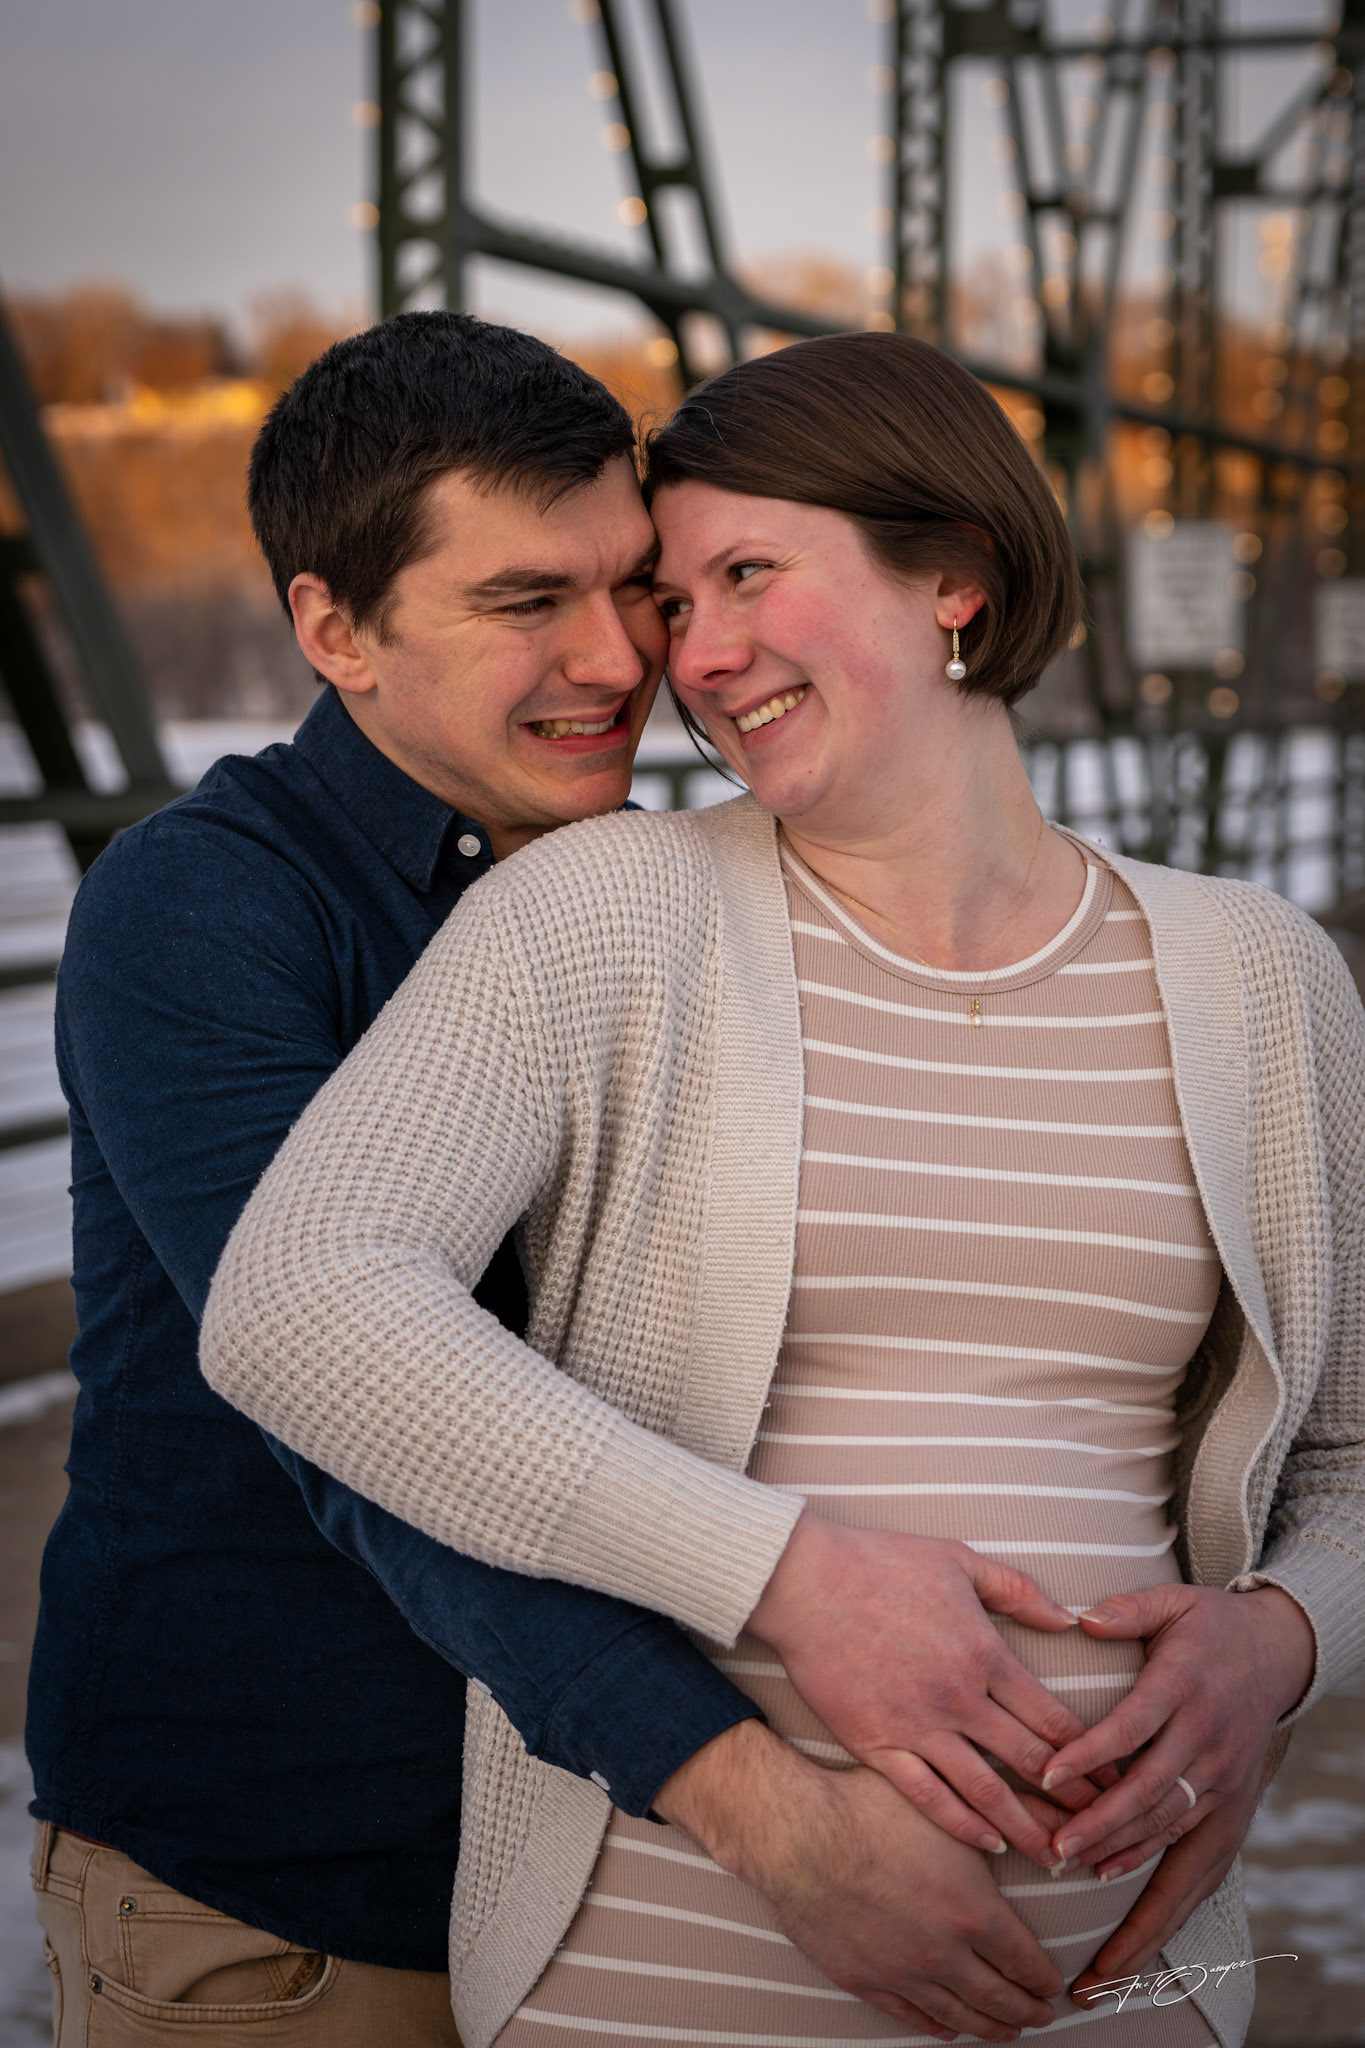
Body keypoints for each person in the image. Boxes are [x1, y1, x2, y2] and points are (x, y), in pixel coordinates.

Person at [202, 331, 1365, 2048]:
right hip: (660, 1975)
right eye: (676, 603)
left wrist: (1283, 1640)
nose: (691, 656)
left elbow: (1348, 1450)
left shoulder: (1257, 976)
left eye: (747, 575)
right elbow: (299, 1304)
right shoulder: (607, 911)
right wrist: (789, 1573)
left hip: (1127, 1991)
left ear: (954, 576)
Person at [30, 313, 1105, 2048]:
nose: (619, 662)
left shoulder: (682, 891)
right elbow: (357, 1427)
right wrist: (759, 1801)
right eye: (526, 601)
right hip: (309, 1884)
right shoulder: (204, 909)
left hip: (632, 1894)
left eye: (636, 589)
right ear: (336, 630)